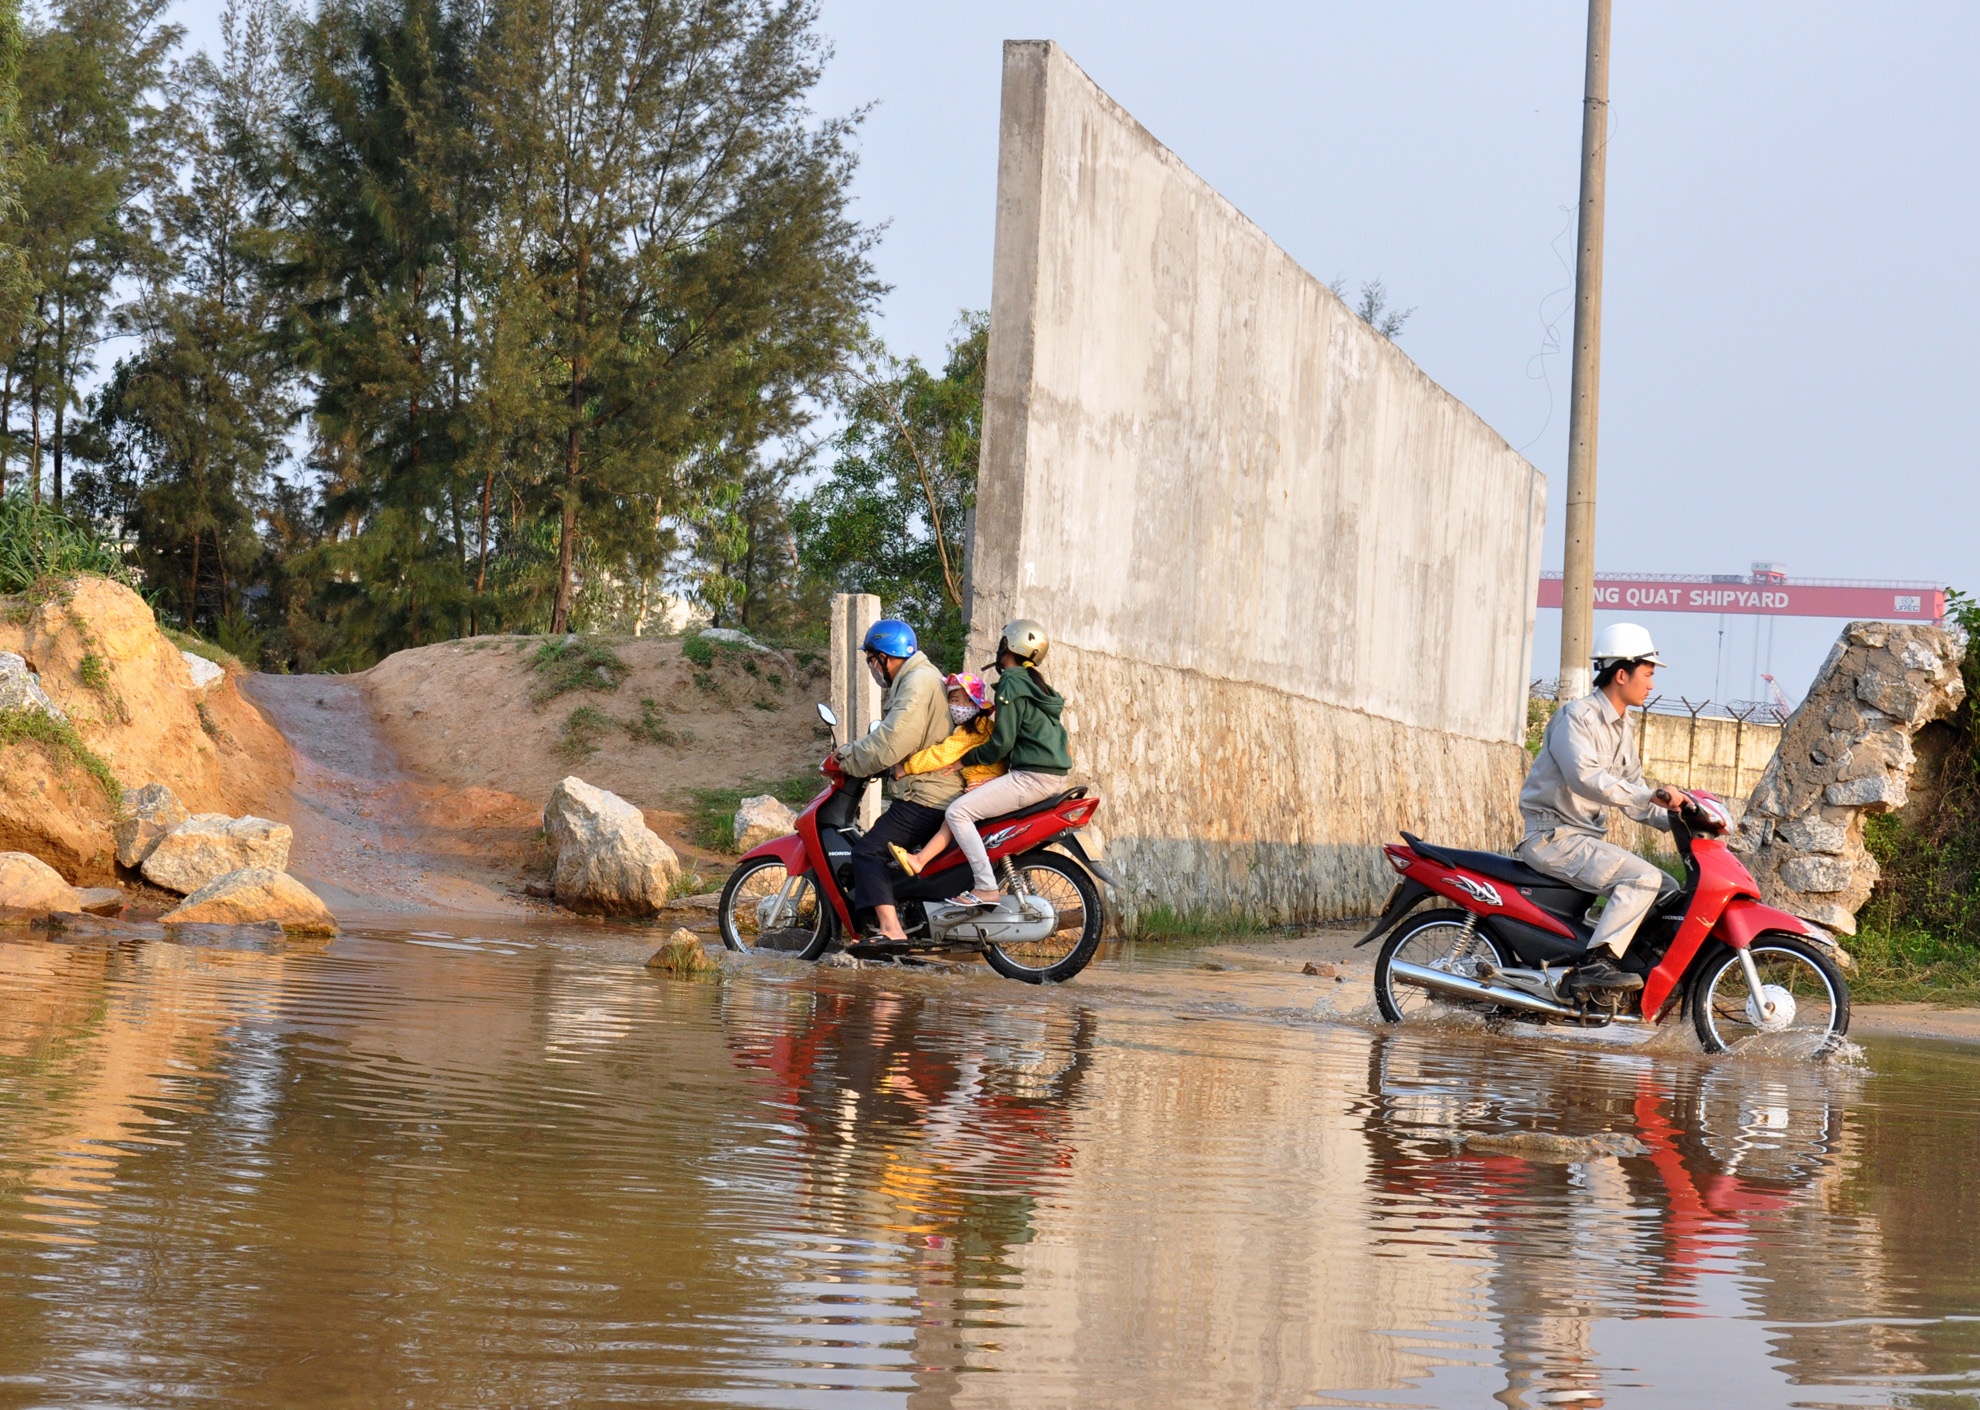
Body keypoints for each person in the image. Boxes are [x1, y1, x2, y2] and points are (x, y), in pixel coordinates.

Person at [1516, 622, 1690, 993]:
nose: (1652, 684)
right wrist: (1649, 796)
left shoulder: (1622, 727)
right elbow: (1584, 778)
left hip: (1583, 838)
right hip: (1553, 836)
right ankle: (1597, 966)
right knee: (1643, 879)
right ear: (1622, 674)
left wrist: (1681, 819)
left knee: (1669, 889)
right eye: (1647, 674)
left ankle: (1632, 969)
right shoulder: (1576, 718)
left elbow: (1636, 794)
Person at [836, 619, 963, 941]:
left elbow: (893, 740)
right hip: (933, 788)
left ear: (886, 656)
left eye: (872, 660)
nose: (873, 668)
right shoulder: (923, 676)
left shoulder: (916, 682)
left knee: (868, 852)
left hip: (927, 794)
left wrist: (849, 757)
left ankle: (891, 930)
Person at [944, 619, 1073, 908]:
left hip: (1032, 777)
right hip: (1048, 777)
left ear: (1008, 646)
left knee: (957, 813)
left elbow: (1002, 743)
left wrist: (964, 760)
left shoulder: (1012, 681)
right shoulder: (1037, 685)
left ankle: (986, 887)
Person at [887, 671, 1004, 877]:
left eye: (968, 700)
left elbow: (943, 753)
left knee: (951, 820)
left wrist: (907, 767)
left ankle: (919, 860)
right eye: (954, 699)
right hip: (991, 782)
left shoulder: (972, 729)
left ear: (978, 704)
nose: (960, 706)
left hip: (981, 785)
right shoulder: (987, 726)